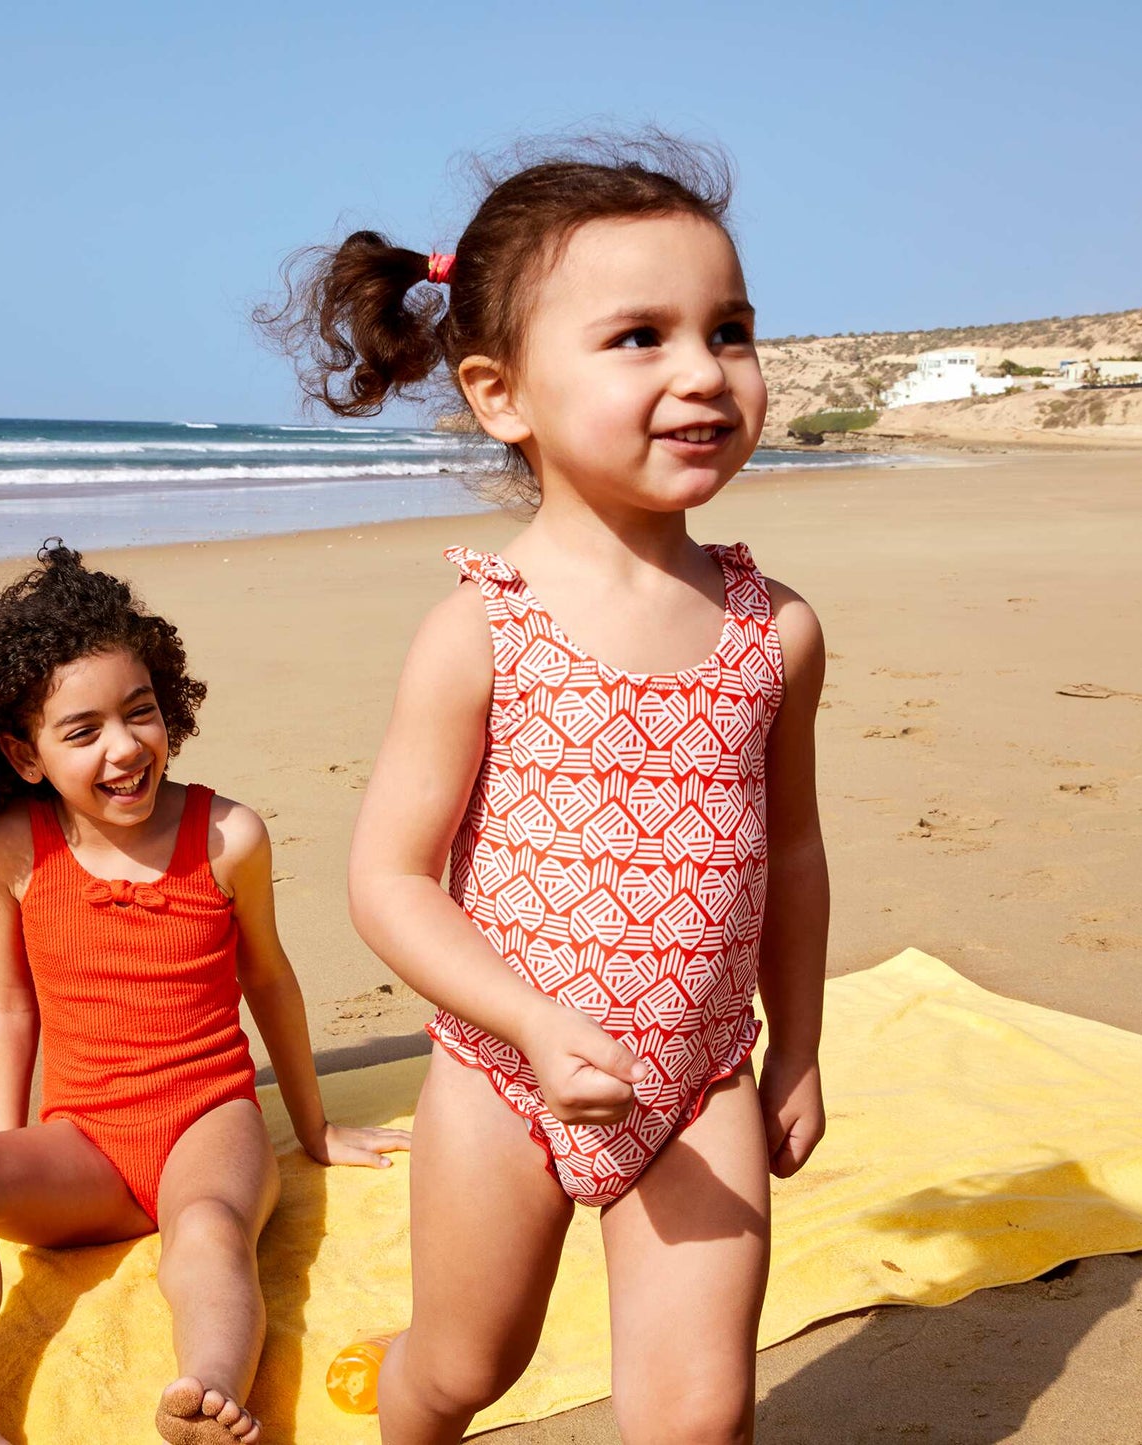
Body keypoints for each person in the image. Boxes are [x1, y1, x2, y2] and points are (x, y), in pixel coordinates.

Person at [265, 134, 829, 1443]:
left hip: (698, 1081)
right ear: (498, 392)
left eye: (728, 329)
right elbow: (390, 880)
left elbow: (789, 854)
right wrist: (524, 1022)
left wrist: (793, 1042)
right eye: (639, 336)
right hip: (498, 1077)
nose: (702, 372)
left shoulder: (776, 629)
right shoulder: (482, 629)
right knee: (464, 1371)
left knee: (700, 1417)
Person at [0, 542, 408, 1445]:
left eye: (140, 713)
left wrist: (310, 1127)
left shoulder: (228, 835)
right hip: (84, 1143)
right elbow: (10, 1005)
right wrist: (0, 1159)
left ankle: (206, 1391)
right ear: (25, 753)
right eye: (82, 731)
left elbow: (268, 976)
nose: (124, 748)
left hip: (209, 1123)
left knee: (204, 1231)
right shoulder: (7, 843)